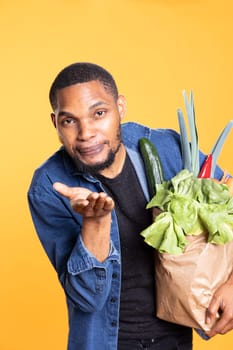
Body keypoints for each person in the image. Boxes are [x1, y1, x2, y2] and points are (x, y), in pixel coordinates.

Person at [28, 62, 233, 350]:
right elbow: (88, 298)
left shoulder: (167, 150)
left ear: (120, 108)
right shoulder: (50, 187)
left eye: (99, 114)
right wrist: (94, 223)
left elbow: (227, 202)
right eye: (69, 120)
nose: (85, 132)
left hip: (176, 339)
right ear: (55, 123)